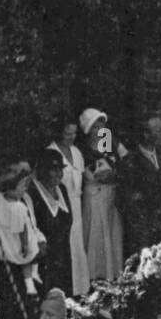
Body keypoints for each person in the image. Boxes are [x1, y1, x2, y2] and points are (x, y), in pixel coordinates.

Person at [48, 112, 92, 297]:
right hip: (61, 205)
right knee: (67, 248)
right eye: (67, 133)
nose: (71, 137)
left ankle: (82, 289)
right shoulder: (52, 152)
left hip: (77, 204)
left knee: (78, 245)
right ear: (59, 132)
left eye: (74, 133)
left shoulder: (76, 152)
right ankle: (68, 290)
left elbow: (84, 176)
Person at [79, 107, 126, 281]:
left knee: (111, 231)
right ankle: (95, 274)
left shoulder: (109, 141)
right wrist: (97, 177)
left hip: (110, 193)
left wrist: (116, 173)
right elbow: (86, 172)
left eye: (100, 126)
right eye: (94, 128)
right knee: (96, 232)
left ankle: (112, 273)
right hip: (94, 194)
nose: (98, 131)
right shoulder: (83, 149)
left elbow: (126, 159)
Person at [119, 115, 161, 256]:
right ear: (146, 134)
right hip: (144, 231)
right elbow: (127, 199)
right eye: (159, 131)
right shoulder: (131, 162)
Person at [0, 160, 44, 298]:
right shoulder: (17, 207)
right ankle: (31, 281)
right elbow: (21, 230)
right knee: (28, 259)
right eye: (23, 186)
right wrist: (25, 244)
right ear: (10, 187)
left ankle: (32, 279)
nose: (25, 189)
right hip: (18, 243)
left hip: (6, 244)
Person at [27, 148, 76, 296]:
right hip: (43, 266)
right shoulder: (31, 194)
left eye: (60, 169)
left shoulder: (62, 189)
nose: (59, 174)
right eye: (53, 170)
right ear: (41, 170)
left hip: (64, 260)